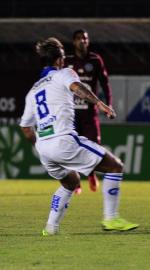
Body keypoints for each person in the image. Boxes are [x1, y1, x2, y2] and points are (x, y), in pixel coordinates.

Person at [20, 37, 138, 235]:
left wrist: (40, 146)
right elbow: (78, 88)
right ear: (59, 60)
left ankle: (51, 227)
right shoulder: (64, 73)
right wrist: (99, 103)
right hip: (64, 141)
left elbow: (26, 128)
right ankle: (111, 219)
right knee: (115, 166)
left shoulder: (33, 91)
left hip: (44, 149)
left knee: (71, 182)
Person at [65, 29, 113, 193]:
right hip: (71, 113)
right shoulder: (67, 61)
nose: (82, 41)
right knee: (72, 147)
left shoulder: (95, 60)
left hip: (90, 113)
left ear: (88, 41)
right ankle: (76, 182)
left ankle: (91, 174)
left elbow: (105, 83)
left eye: (84, 38)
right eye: (78, 39)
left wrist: (109, 104)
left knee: (94, 146)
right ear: (73, 42)